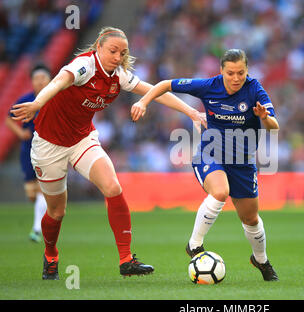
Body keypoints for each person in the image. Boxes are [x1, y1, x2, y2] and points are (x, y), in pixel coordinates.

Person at [11, 26, 206, 280]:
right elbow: (59, 82)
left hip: (82, 140)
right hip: (49, 145)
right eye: (113, 51)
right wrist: (37, 103)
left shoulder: (119, 76)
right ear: (98, 48)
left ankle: (126, 260)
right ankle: (50, 255)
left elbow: (154, 90)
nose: (118, 57)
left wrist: (191, 112)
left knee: (113, 187)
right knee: (57, 212)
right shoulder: (84, 66)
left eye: (122, 53)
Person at [131, 49, 280, 281]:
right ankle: (195, 244)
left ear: (247, 71)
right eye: (230, 73)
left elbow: (274, 126)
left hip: (242, 163)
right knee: (220, 192)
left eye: (241, 72)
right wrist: (143, 100)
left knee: (251, 219)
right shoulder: (208, 86)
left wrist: (264, 117)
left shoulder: (254, 89)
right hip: (210, 153)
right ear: (221, 71)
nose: (236, 78)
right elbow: (165, 84)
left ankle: (261, 260)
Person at [5, 63, 50, 242]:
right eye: (36, 79)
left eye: (43, 78)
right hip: (28, 149)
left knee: (42, 190)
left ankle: (37, 229)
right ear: (31, 81)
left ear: (50, 80)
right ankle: (42, 219)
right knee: (33, 194)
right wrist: (21, 133)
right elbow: (9, 119)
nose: (39, 82)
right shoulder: (26, 99)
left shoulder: (53, 98)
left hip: (47, 149)